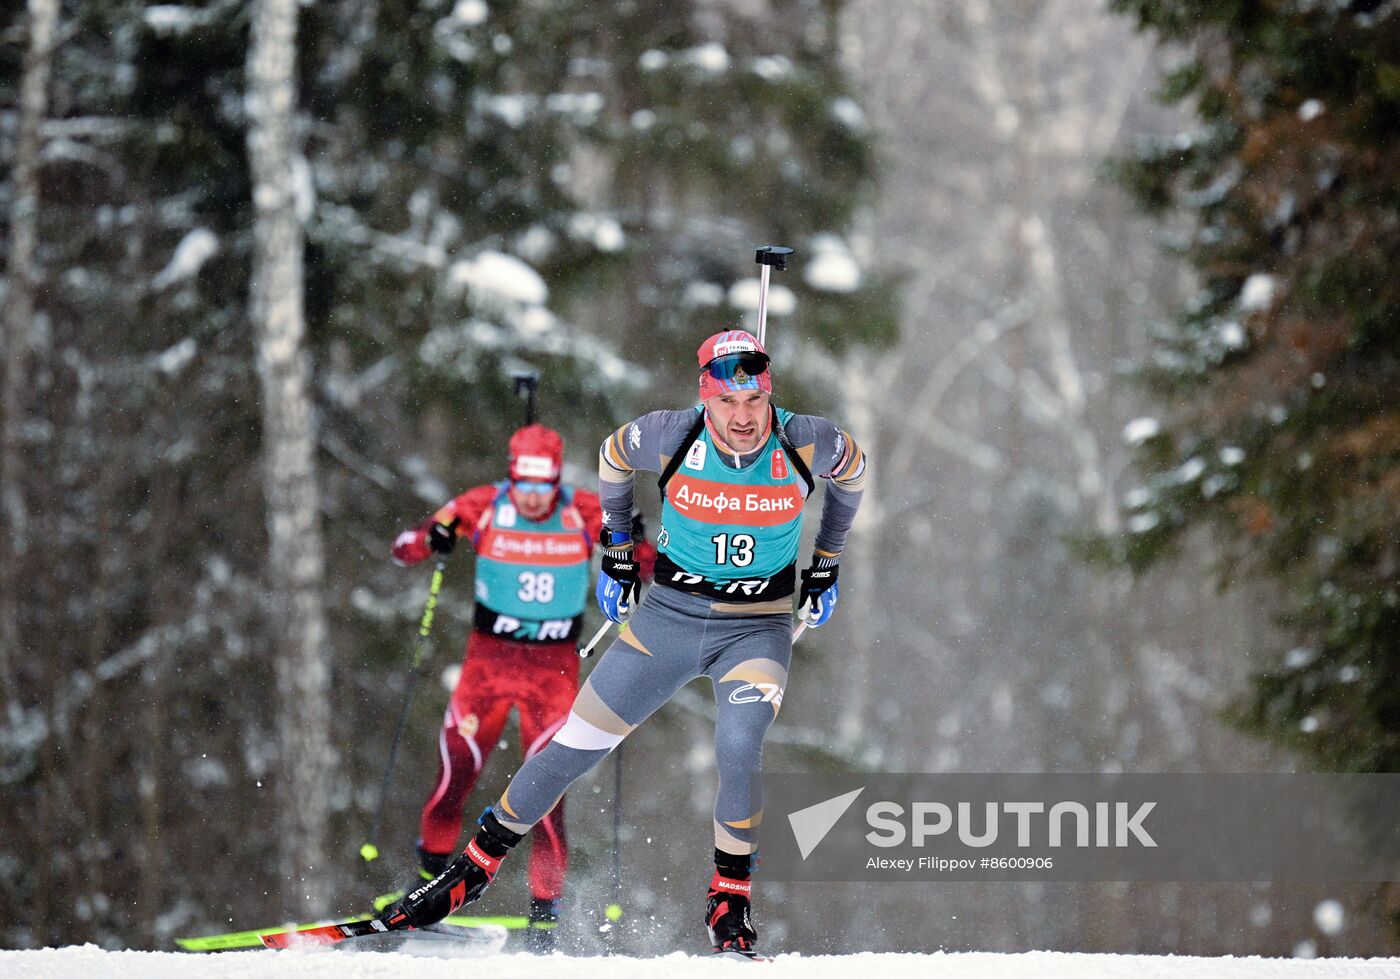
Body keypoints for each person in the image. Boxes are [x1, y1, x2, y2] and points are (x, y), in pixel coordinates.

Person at [383, 330, 867, 959]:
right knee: (571, 749)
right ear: (706, 399)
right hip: (666, 620)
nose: (745, 419)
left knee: (739, 744)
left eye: (755, 403)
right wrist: (615, 550)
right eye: (729, 404)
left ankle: (730, 903)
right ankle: (469, 872)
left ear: (768, 393)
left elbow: (853, 475)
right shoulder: (670, 433)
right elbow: (613, 459)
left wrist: (827, 559)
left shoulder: (807, 439)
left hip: (757, 625)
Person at [389, 423, 645, 953]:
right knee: (455, 773)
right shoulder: (483, 504)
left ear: (556, 481)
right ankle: (428, 885)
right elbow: (404, 548)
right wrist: (428, 539)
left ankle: (543, 915)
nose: (532, 498)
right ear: (511, 478)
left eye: (543, 486)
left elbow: (648, 562)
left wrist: (637, 540)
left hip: (552, 674)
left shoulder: (583, 511)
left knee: (547, 796)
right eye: (524, 485)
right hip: (487, 666)